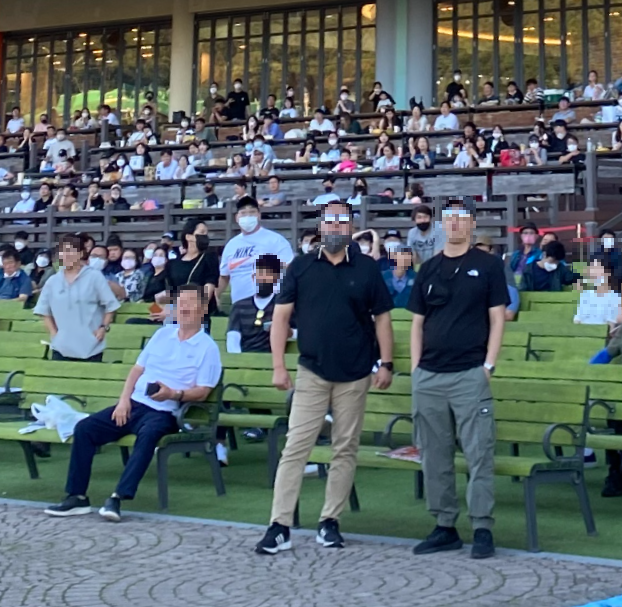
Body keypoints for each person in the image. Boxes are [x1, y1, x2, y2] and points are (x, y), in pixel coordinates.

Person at [259, 201, 394, 555]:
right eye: (329, 220)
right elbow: (281, 317)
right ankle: (279, 525)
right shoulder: (302, 266)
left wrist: (387, 363)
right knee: (296, 447)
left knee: (344, 448)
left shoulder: (366, 268)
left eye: (342, 221)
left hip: (355, 373)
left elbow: (382, 317)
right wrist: (278, 366)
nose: (335, 226)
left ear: (350, 227)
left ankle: (330, 521)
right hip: (312, 371)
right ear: (321, 226)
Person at [45, 284, 220, 521]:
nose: (184, 308)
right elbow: (136, 371)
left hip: (165, 411)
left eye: (190, 303)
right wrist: (123, 401)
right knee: (85, 429)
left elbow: (202, 392)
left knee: (147, 436)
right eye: (180, 303)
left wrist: (173, 394)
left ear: (203, 308)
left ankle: (117, 497)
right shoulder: (162, 334)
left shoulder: (208, 348)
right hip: (134, 404)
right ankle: (76, 497)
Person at [406, 201, 508, 557]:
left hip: (470, 373)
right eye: (448, 218)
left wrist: (488, 366)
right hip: (429, 375)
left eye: (461, 218)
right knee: (434, 455)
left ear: (471, 223)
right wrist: (416, 368)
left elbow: (497, 318)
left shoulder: (488, 265)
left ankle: (481, 526)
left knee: (479, 453)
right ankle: (444, 525)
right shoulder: (429, 268)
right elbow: (417, 322)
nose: (454, 224)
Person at [35, 235, 119, 363]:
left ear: (80, 254)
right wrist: (54, 334)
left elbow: (111, 306)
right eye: (63, 252)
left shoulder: (95, 277)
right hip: (61, 348)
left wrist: (103, 327)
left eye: (70, 252)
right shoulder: (53, 281)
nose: (66, 256)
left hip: (90, 347)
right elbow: (44, 311)